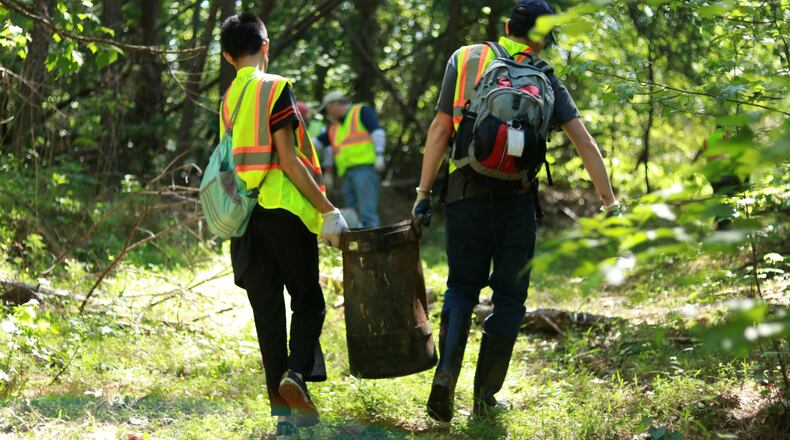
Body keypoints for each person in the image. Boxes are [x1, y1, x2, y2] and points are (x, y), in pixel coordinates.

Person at [411, 0, 619, 421]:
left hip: (465, 193)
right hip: (517, 201)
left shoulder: (466, 57)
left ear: (507, 25)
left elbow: (439, 129)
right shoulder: (545, 77)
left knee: (461, 288)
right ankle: (486, 399)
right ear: (542, 39)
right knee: (509, 299)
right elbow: (585, 143)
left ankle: (445, 373)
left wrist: (423, 192)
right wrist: (610, 203)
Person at [218, 12, 348, 436]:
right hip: (285, 214)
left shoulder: (229, 99)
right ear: (266, 45)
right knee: (309, 302)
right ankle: (296, 374)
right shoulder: (275, 88)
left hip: (246, 220)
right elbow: (288, 159)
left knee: (268, 318)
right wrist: (328, 209)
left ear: (225, 56)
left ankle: (285, 424)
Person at [315, 91, 386, 228]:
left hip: (365, 170)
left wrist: (379, 154)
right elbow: (316, 144)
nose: (326, 113)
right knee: (351, 215)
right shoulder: (335, 127)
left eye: (327, 109)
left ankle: (374, 247)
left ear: (335, 104)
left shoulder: (360, 111)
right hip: (346, 174)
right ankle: (358, 247)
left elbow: (378, 132)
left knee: (367, 212)